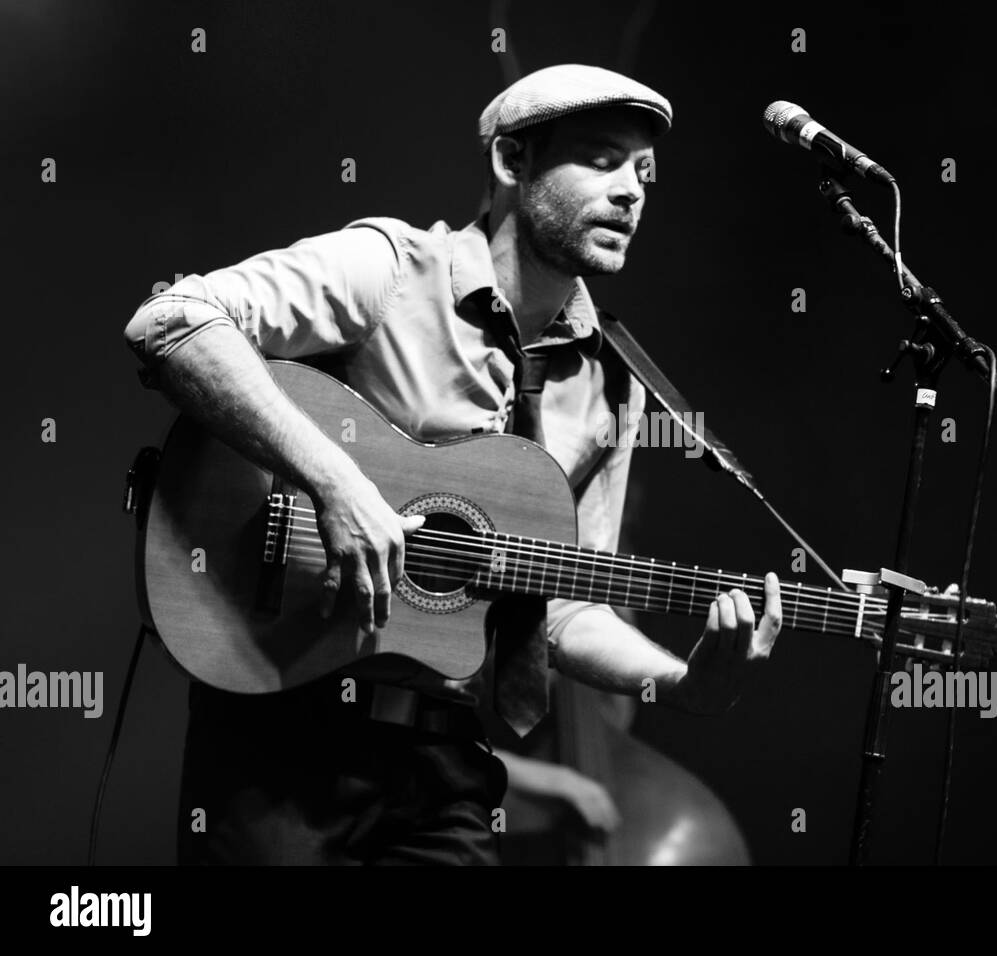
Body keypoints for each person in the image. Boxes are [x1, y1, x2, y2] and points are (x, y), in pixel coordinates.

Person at [122, 63, 782, 865]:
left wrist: (681, 683)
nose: (632, 192)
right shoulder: (390, 269)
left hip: (449, 770)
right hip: (283, 731)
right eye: (602, 159)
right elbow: (172, 321)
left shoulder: (614, 384)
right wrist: (335, 483)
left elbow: (567, 604)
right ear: (512, 161)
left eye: (644, 173)